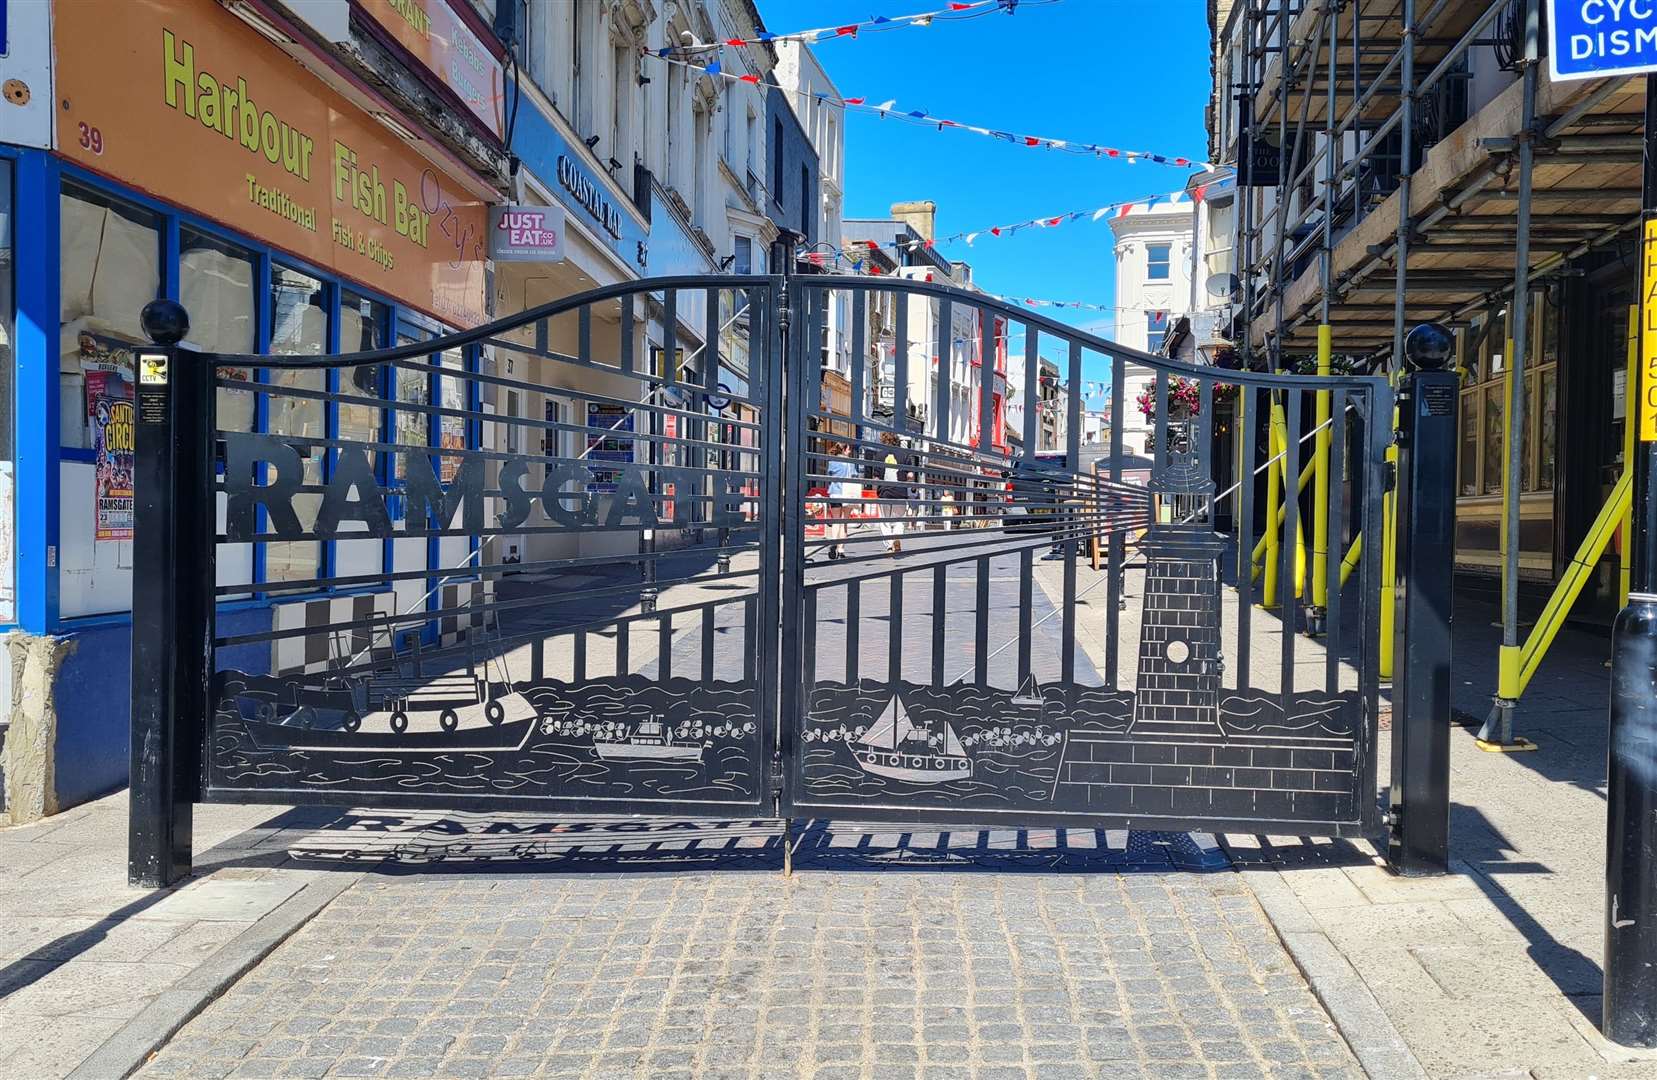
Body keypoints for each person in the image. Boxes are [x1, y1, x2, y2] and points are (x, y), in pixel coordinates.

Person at [875, 432, 910, 553]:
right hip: (900, 492)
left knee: (884, 520)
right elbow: (910, 475)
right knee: (900, 518)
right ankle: (896, 536)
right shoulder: (904, 455)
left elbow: (876, 478)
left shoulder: (879, 455)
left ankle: (890, 545)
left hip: (884, 492)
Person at [824, 442, 859, 560]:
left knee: (836, 521)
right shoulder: (850, 463)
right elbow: (854, 476)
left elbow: (830, 475)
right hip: (847, 494)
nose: (850, 451)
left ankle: (834, 542)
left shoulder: (832, 461)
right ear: (844, 449)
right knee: (844, 523)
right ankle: (841, 550)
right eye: (849, 449)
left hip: (834, 493)